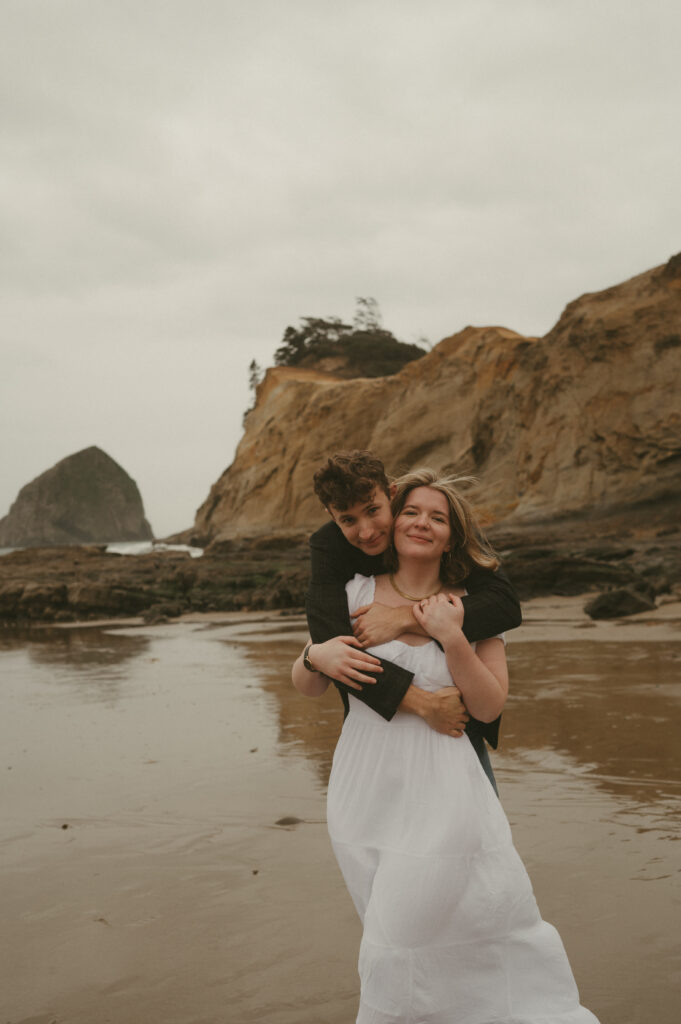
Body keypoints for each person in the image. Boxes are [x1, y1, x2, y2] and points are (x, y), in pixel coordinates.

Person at [293, 469, 600, 1024]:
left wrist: (449, 633)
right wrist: (312, 657)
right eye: (412, 511)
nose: (421, 523)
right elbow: (312, 681)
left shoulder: (470, 606)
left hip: (446, 788)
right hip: (363, 790)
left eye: (438, 517)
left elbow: (487, 708)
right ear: (393, 511)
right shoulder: (353, 594)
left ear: (452, 536)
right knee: (408, 931)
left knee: (399, 938)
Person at [304, 450, 522, 791]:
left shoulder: (436, 523)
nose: (366, 532)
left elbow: (505, 607)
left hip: (456, 751)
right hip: (374, 754)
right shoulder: (336, 559)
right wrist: (424, 704)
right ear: (333, 518)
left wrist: (404, 618)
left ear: (390, 494)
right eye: (348, 520)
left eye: (374, 511)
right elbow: (332, 648)